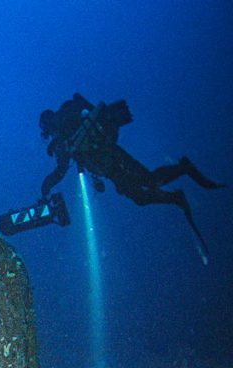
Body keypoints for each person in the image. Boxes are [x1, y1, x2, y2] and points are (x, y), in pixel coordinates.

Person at [39, 93, 224, 263]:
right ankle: (178, 192)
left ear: (48, 126)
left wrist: (45, 187)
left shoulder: (61, 138)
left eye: (47, 132)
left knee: (146, 186)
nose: (49, 135)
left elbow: (60, 172)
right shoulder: (69, 117)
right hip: (113, 159)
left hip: (112, 164)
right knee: (142, 192)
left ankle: (183, 173)